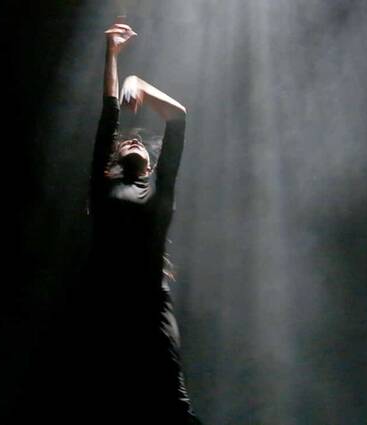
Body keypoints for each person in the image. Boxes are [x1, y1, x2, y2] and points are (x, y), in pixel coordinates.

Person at [76, 17, 203, 425]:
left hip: (150, 307)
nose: (132, 140)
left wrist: (140, 85)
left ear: (150, 163)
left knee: (174, 406)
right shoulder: (103, 188)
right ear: (114, 162)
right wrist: (110, 54)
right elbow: (108, 116)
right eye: (126, 142)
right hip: (107, 308)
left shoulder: (159, 193)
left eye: (140, 143)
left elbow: (178, 117)